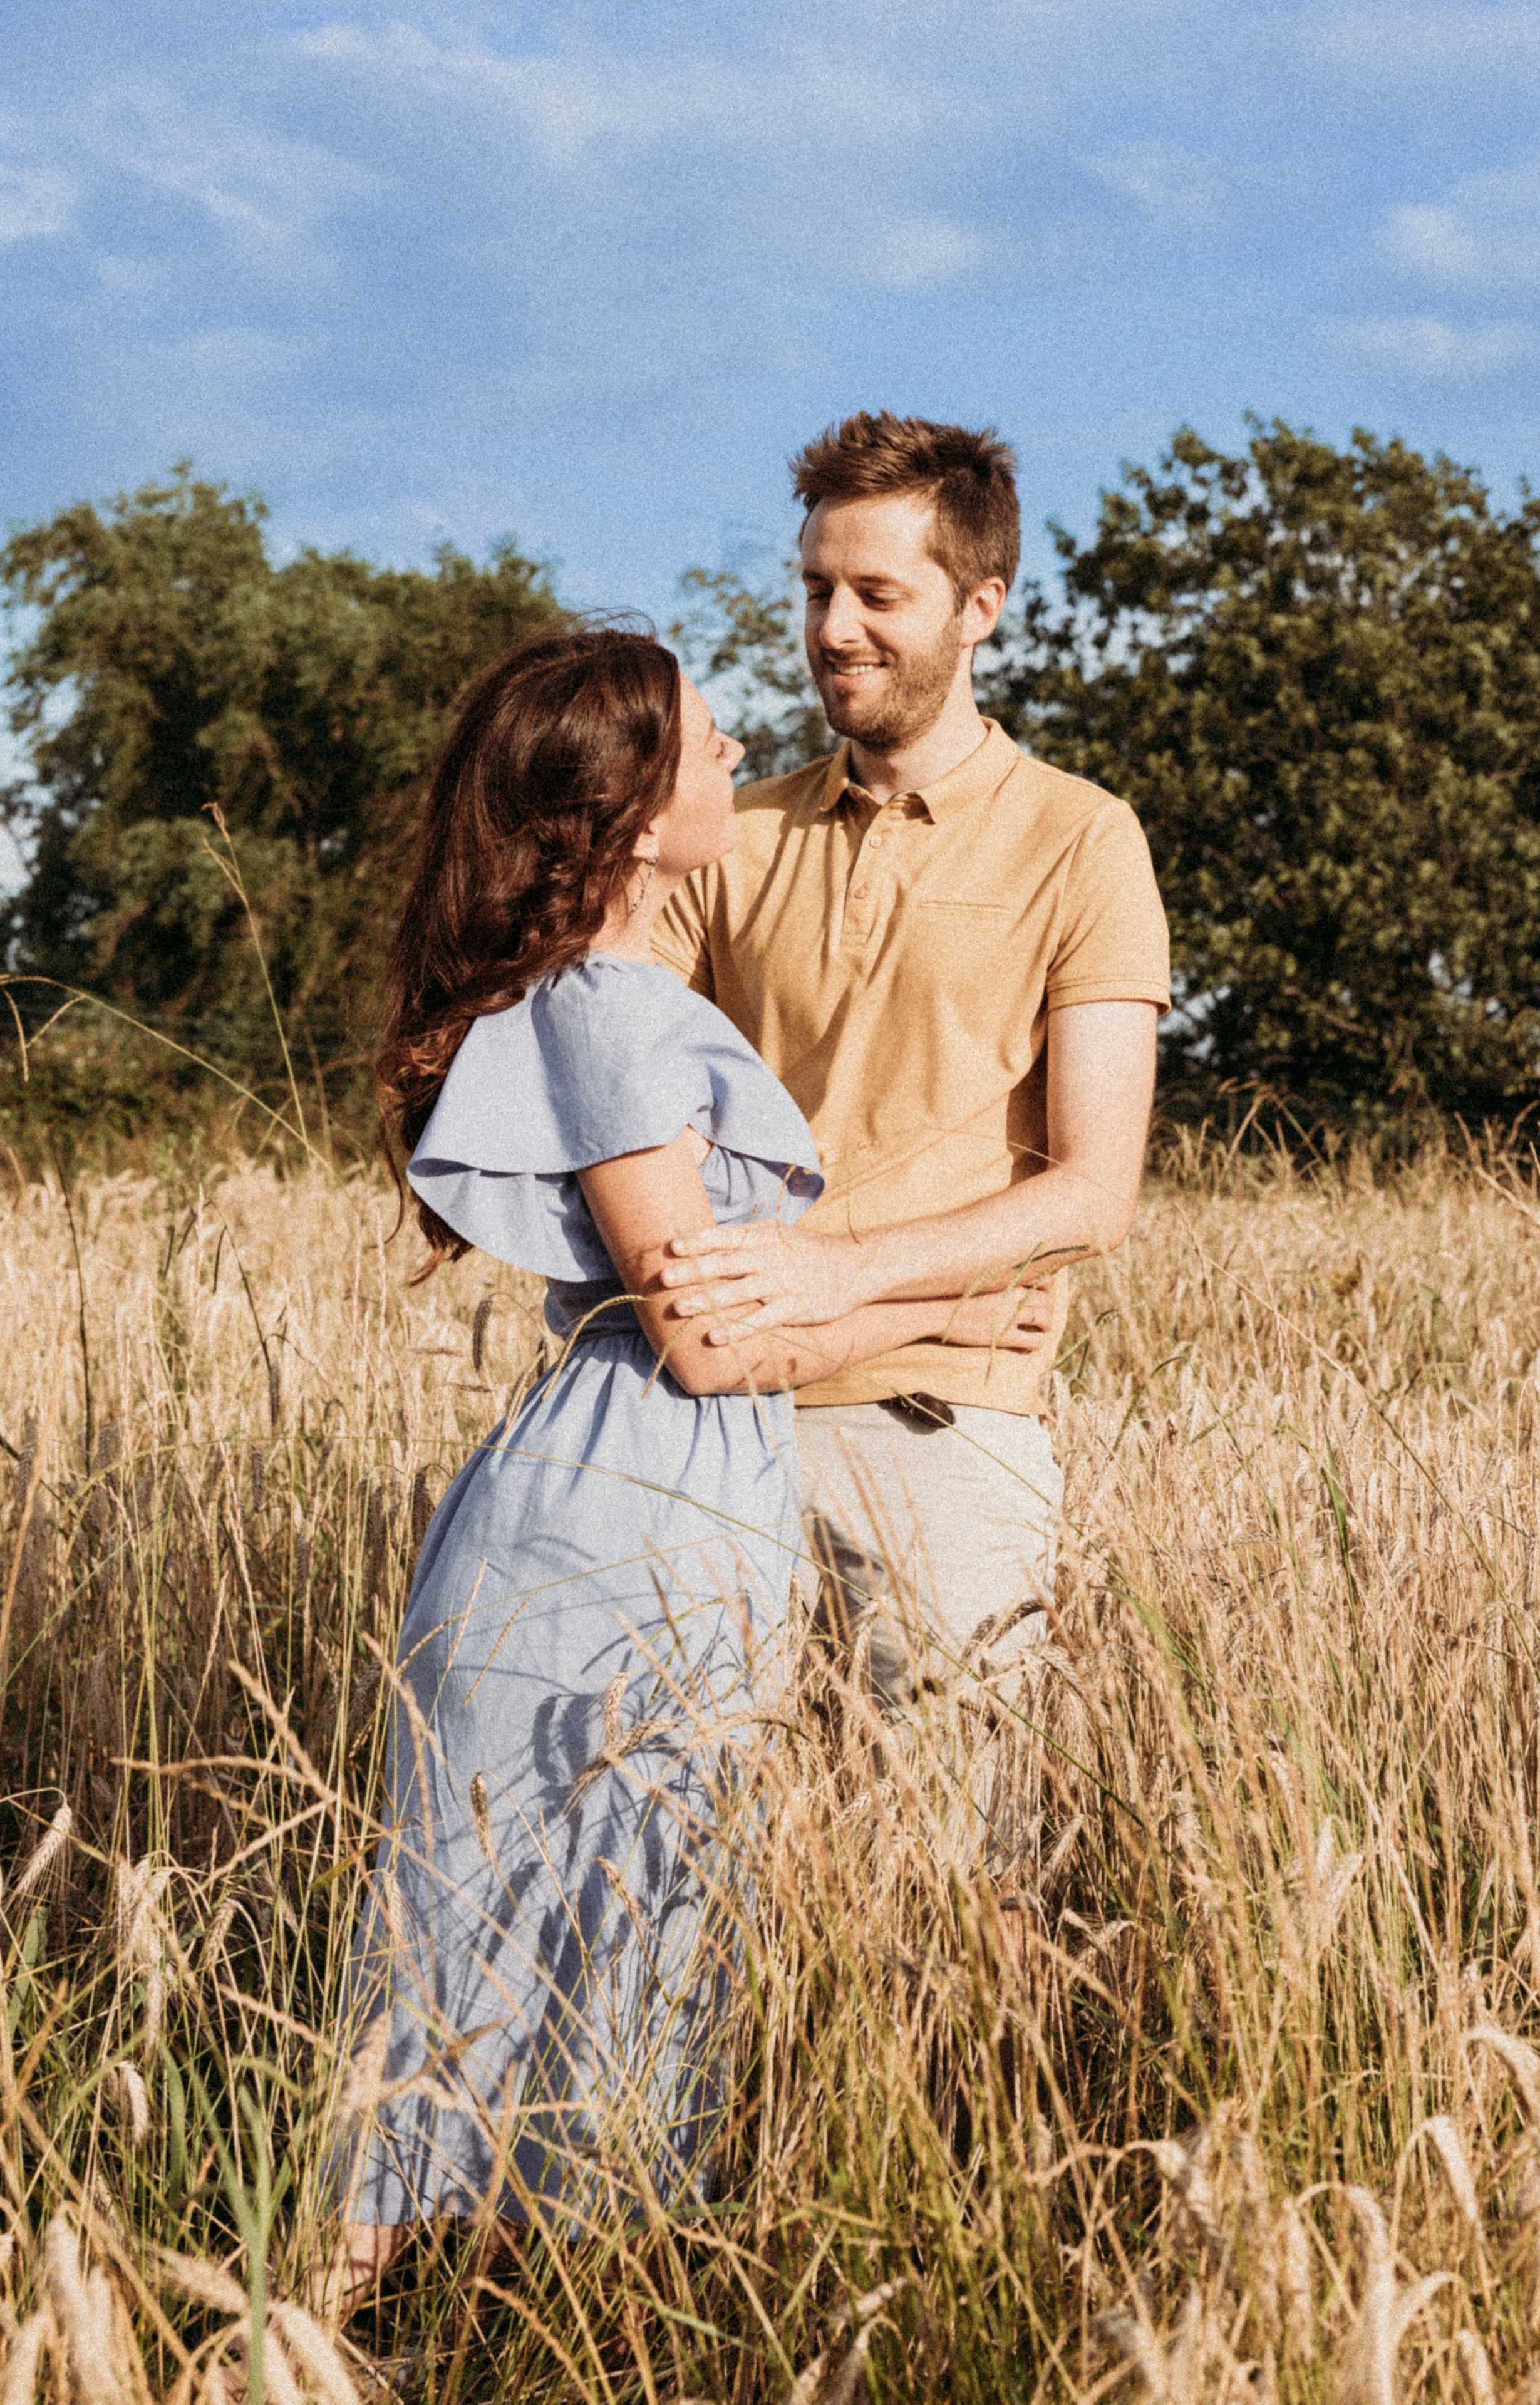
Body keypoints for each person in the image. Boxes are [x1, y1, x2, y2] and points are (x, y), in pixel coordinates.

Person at [327, 623, 1050, 2292]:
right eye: (710, 748)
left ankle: (490, 2326)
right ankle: (275, 2347)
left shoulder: (635, 1004)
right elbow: (706, 1332)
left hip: (664, 1506)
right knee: (487, 1943)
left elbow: (728, 1306)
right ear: (642, 815)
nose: (741, 760)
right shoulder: (613, 1012)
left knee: (601, 1930)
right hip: (611, 1523)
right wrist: (956, 1302)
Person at [654, 412, 1171, 1712]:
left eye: (877, 594)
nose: (832, 628)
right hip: (709, 1424)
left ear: (977, 607)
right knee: (706, 1874)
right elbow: (629, 1108)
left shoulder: (1083, 839)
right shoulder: (727, 834)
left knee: (949, 1873)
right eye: (816, 588)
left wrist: (837, 1277)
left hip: (942, 1435)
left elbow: (1091, 1194)